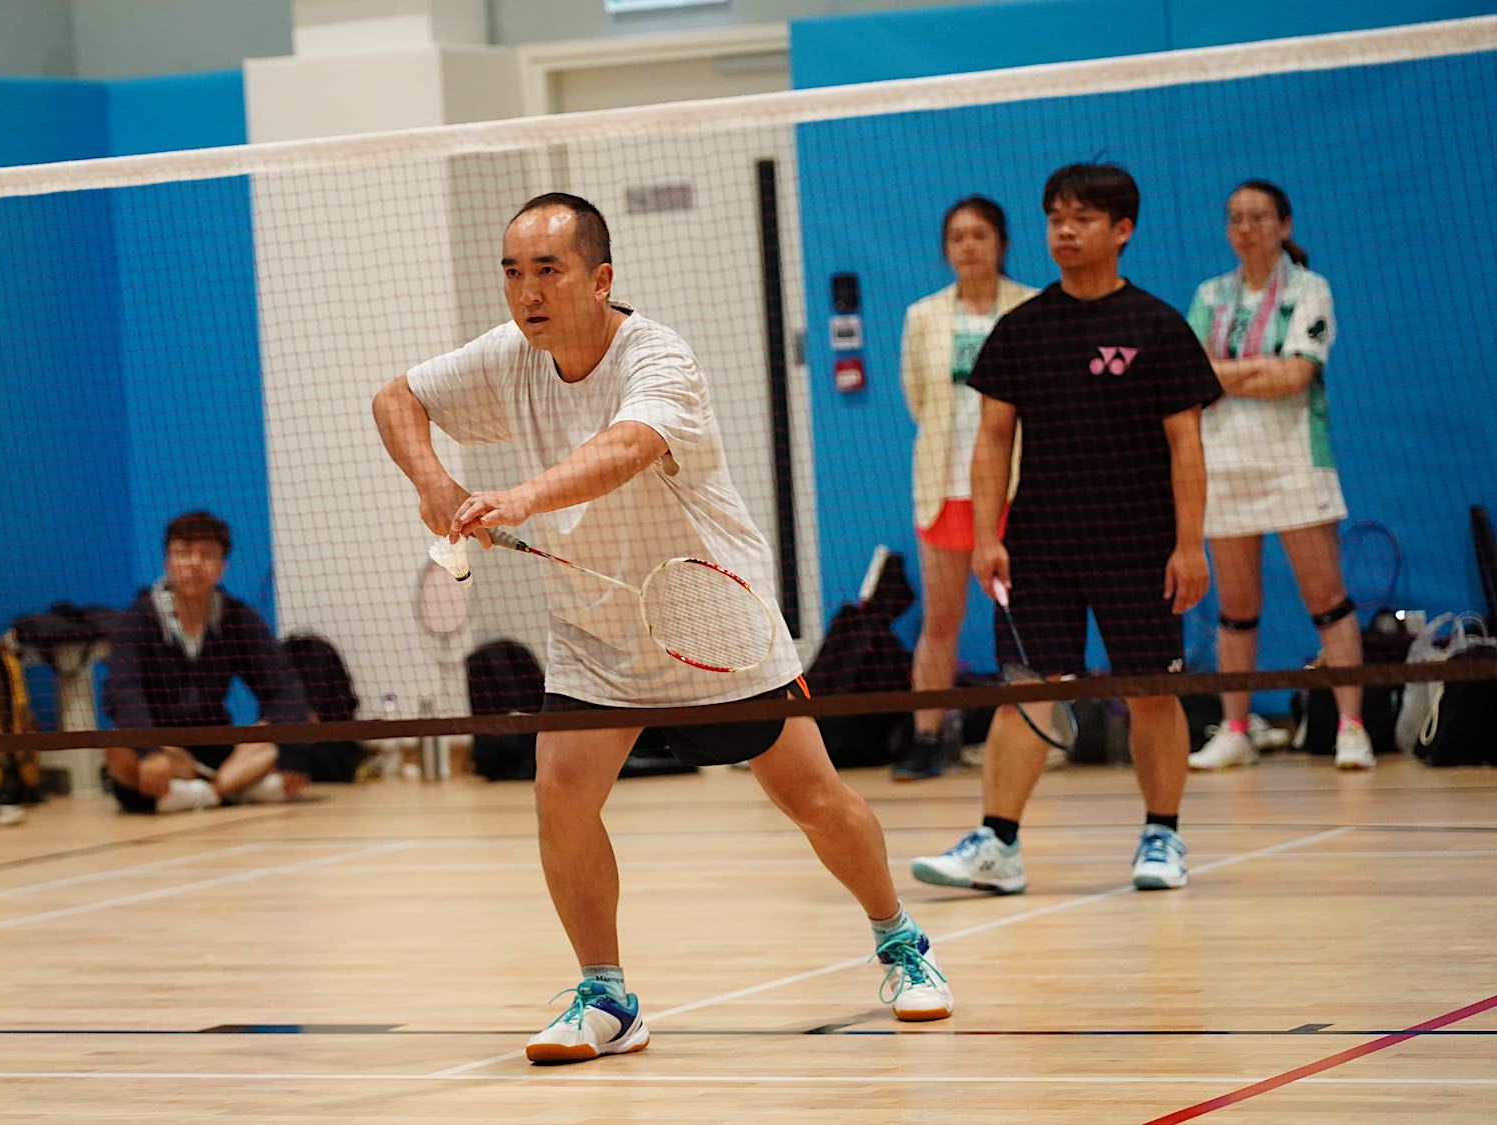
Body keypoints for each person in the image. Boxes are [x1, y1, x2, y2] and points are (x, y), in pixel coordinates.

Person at [373, 192, 952, 1066]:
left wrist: (518, 497)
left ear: (600, 278)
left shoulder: (659, 358)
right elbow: (397, 399)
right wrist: (435, 486)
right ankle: (607, 996)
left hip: (712, 621)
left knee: (814, 800)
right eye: (513, 272)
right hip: (595, 629)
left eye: (548, 270)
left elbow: (629, 446)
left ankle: (901, 940)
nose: (527, 292)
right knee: (560, 796)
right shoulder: (510, 357)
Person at [910, 163, 1221, 896]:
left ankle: (1163, 835)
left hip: (1139, 544)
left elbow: (1187, 443)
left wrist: (1189, 544)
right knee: (1026, 687)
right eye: (1056, 218)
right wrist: (987, 537)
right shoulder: (1022, 328)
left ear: (1122, 230)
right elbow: (992, 439)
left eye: (1083, 218)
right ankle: (998, 843)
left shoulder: (1156, 326)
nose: (1065, 231)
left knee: (1151, 691)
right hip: (1040, 545)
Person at [1183, 181, 1369, 771]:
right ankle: (1235, 729)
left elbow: (1295, 376)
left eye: (1258, 217)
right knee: (1235, 608)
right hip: (1223, 463)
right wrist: (1257, 369)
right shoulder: (1210, 295)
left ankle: (1351, 728)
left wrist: (1225, 374)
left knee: (1327, 601)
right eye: (1235, 217)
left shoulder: (1310, 289)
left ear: (1284, 226)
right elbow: (1189, 376)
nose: (1245, 228)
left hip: (1294, 462)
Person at [895, 196, 1038, 780]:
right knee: (941, 619)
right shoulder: (922, 316)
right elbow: (917, 399)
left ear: (1002, 242)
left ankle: (1031, 735)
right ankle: (928, 737)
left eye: (980, 234)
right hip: (944, 486)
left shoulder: (1031, 308)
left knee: (1026, 621)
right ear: (945, 249)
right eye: (957, 237)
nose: (969, 246)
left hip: (1015, 488)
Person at [102, 511, 311, 812]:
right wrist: (149, 751)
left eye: (207, 555)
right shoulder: (136, 621)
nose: (194, 564)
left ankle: (208, 792)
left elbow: (284, 689)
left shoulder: (238, 618)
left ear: (221, 567)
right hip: (166, 749)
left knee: (292, 730)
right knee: (117, 749)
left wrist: (292, 754)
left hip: (220, 745)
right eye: (183, 553)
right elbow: (123, 693)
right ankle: (234, 789)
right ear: (168, 562)